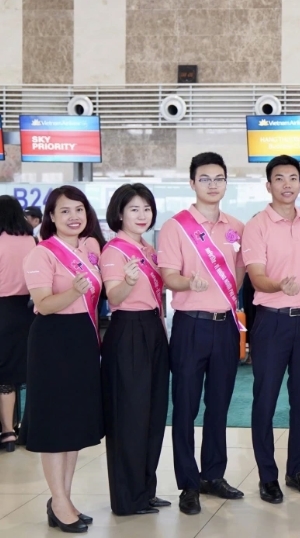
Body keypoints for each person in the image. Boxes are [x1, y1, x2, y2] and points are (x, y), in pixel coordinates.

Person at [157, 152, 246, 515]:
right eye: (205, 179)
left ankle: (213, 475)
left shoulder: (236, 227)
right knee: (185, 406)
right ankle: (188, 484)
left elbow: (240, 273)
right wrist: (188, 283)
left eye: (219, 178)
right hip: (190, 325)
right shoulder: (175, 226)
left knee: (220, 404)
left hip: (225, 326)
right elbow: (168, 275)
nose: (212, 185)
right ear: (192, 183)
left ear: (226, 183)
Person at [241, 155, 300, 504]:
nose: (287, 184)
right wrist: (279, 286)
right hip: (272, 321)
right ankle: (267, 476)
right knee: (266, 400)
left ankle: (298, 471)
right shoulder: (257, 225)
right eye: (279, 178)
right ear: (268, 185)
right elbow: (256, 276)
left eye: (293, 178)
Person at [22, 186, 105, 533]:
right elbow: (43, 304)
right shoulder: (41, 253)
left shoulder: (90, 248)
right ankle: (58, 501)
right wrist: (73, 291)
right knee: (56, 426)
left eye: (79, 210)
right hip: (53, 343)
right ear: (51, 217)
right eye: (65, 211)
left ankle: (64, 500)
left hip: (83, 340)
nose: (74, 217)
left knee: (72, 426)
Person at [99, 184, 171, 516]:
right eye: (134, 209)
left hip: (153, 329)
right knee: (130, 416)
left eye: (147, 209)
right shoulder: (114, 251)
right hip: (128, 330)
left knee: (153, 413)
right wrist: (127, 282)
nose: (142, 215)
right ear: (119, 213)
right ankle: (128, 498)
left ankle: (145, 490)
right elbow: (113, 297)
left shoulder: (149, 249)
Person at [0, 196, 36, 453]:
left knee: (3, 376)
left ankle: (7, 431)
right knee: (19, 372)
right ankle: (20, 428)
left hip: (2, 310)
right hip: (26, 311)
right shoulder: (31, 241)